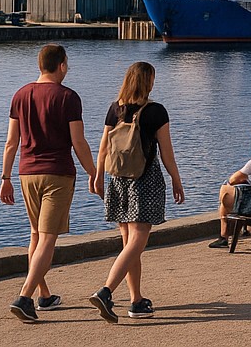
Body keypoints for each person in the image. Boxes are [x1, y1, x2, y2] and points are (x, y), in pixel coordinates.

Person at [0, 43, 99, 324]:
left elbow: (11, 143)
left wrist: (5, 178)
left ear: (39, 65)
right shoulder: (68, 97)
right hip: (57, 173)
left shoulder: (20, 95)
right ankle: (24, 297)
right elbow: (78, 142)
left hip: (26, 173)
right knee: (48, 239)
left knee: (35, 235)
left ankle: (44, 295)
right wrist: (93, 172)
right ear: (62, 65)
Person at [85, 61, 185, 323]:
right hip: (145, 179)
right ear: (148, 82)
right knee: (138, 240)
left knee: (129, 243)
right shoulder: (156, 112)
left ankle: (136, 301)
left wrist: (96, 175)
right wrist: (176, 180)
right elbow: (167, 154)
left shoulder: (115, 108)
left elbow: (103, 146)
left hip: (117, 179)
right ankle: (106, 291)